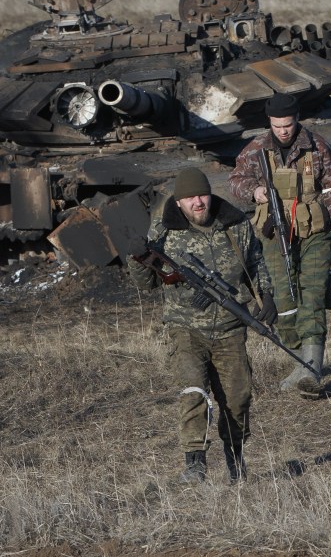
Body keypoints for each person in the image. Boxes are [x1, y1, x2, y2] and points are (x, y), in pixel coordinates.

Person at [127, 167, 275, 484]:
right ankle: (195, 462)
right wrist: (135, 257)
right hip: (185, 327)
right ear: (178, 202)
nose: (198, 202)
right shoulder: (164, 231)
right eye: (190, 198)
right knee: (193, 390)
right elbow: (147, 283)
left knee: (238, 398)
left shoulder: (236, 225)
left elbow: (255, 261)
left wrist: (266, 295)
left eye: (202, 195)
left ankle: (236, 458)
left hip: (231, 327)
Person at [228, 92, 331, 394]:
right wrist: (255, 190)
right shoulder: (257, 148)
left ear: (297, 120)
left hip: (314, 232)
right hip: (274, 234)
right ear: (269, 123)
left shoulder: (317, 146)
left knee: (311, 295)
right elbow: (234, 180)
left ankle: (313, 369)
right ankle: (299, 362)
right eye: (277, 125)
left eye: (288, 124)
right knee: (284, 300)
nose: (283, 130)